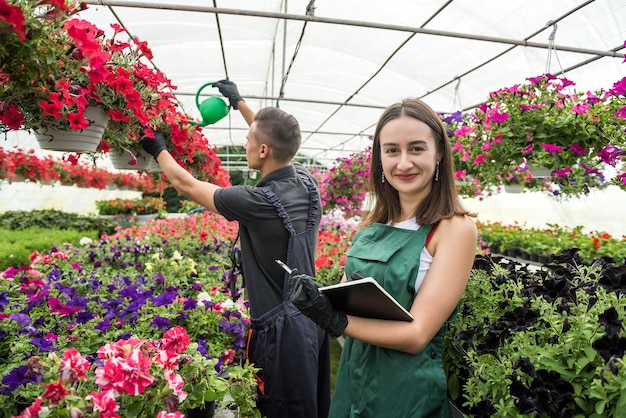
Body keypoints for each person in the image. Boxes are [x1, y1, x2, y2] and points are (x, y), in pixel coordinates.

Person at [140, 80, 330, 418]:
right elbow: (274, 138)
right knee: (310, 406)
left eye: (248, 140)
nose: (245, 143)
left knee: (282, 407)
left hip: (280, 332)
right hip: (311, 317)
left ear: (262, 151)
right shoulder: (305, 182)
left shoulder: (255, 201)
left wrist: (158, 149)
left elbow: (186, 184)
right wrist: (239, 102)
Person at [289, 98, 478, 417]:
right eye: (392, 150)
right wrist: (322, 299)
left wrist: (337, 321)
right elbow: (348, 299)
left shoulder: (453, 229)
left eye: (416, 148)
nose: (403, 163)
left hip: (406, 393)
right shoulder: (371, 225)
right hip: (355, 379)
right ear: (380, 157)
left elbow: (417, 335)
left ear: (439, 153)